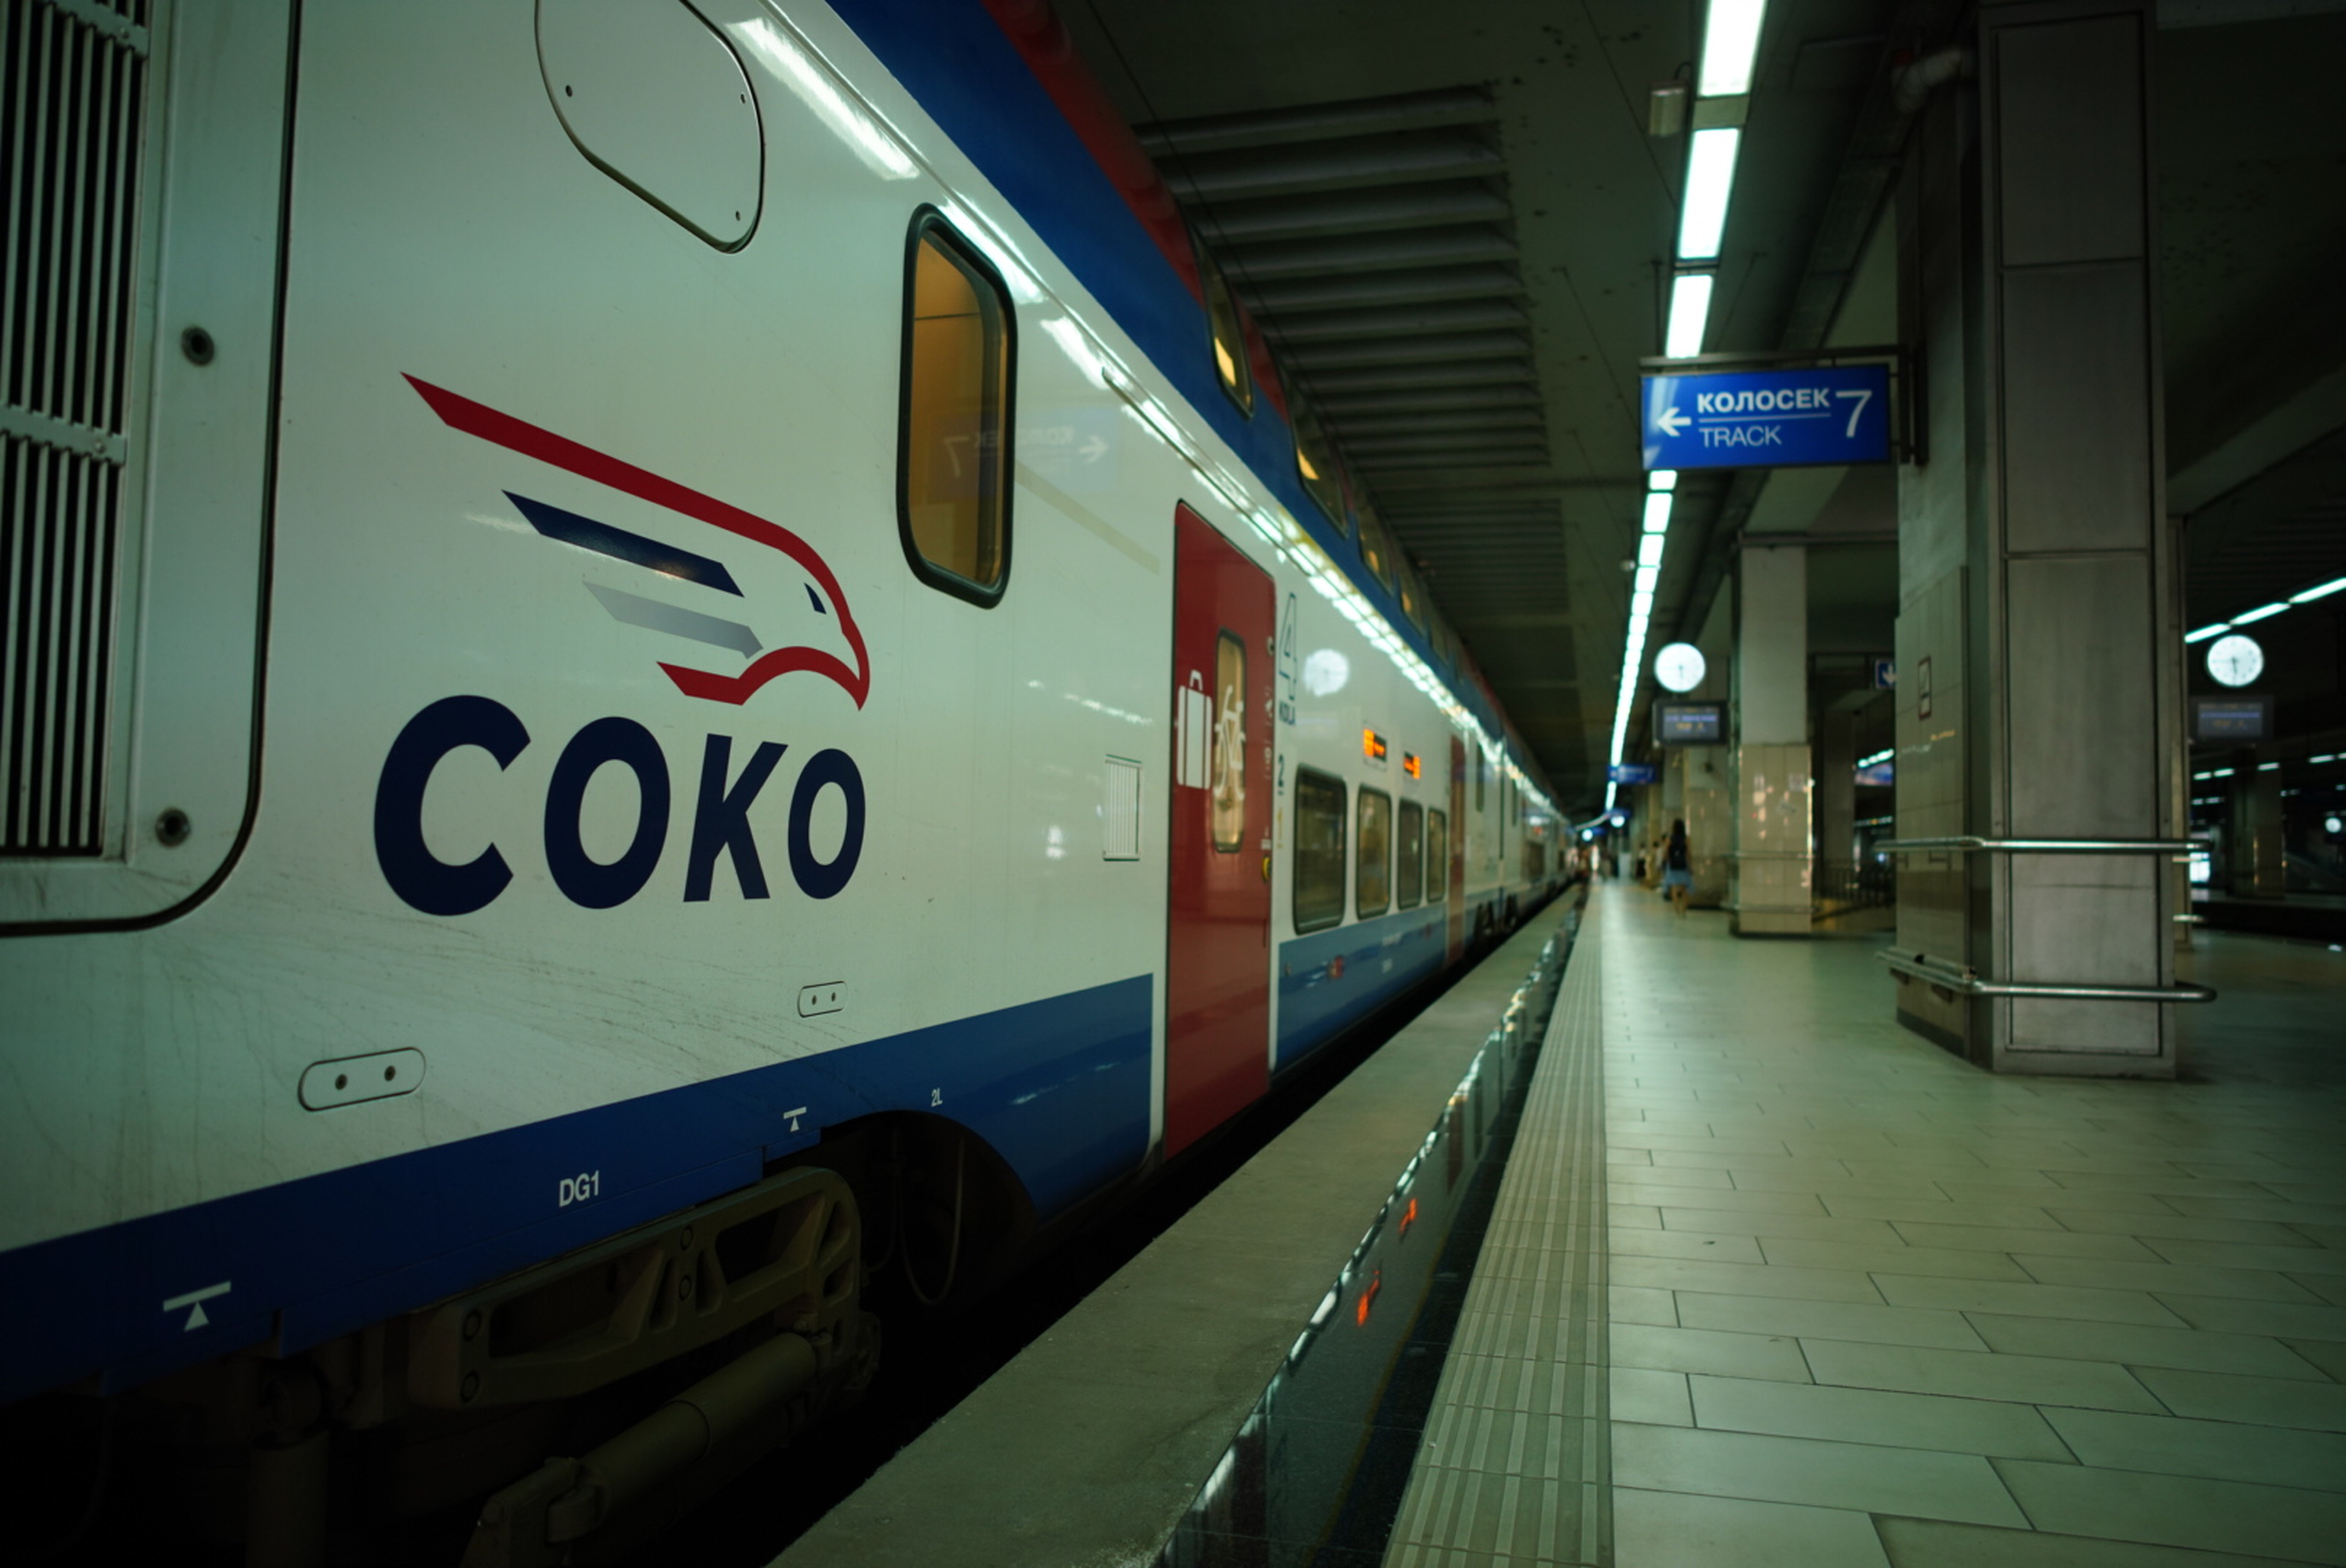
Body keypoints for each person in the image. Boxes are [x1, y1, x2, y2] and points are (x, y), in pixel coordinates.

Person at [1661, 819, 1692, 916]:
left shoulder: (1669, 839)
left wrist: (1666, 861)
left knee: (1674, 889)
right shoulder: (1686, 839)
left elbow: (1666, 853)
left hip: (1673, 865)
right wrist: (1690, 865)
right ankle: (1684, 910)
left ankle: (1677, 910)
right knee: (1684, 889)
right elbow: (1688, 853)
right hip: (1683, 865)